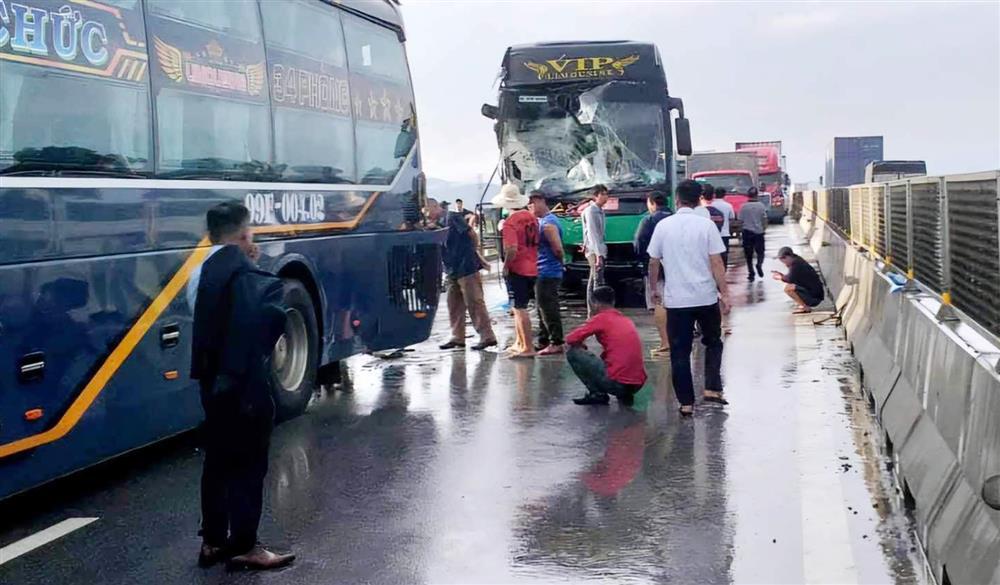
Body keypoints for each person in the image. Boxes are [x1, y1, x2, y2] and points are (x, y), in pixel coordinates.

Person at [189, 202, 295, 570]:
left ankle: (213, 542)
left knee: (217, 460)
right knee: (249, 464)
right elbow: (259, 321)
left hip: (209, 382)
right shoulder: (246, 274)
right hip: (244, 385)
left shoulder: (197, 272)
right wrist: (252, 266)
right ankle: (246, 545)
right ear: (243, 234)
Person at [647, 180, 730, 417]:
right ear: (698, 199)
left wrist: (654, 289)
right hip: (705, 297)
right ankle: (712, 388)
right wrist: (725, 293)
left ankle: (686, 403)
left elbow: (653, 261)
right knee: (713, 342)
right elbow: (716, 262)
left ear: (677, 199)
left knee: (679, 351)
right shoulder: (706, 226)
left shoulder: (663, 226)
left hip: (677, 301)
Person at [565, 286, 647, 406]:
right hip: (637, 384)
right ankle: (624, 394)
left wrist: (580, 345)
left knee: (573, 352)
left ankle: (597, 394)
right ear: (613, 302)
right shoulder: (625, 319)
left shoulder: (601, 318)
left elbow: (570, 339)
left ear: (595, 304)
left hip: (618, 383)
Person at [440, 210, 498, 350]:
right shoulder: (435, 224)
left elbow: (471, 233)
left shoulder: (451, 217)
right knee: (453, 303)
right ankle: (457, 336)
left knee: (474, 301)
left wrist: (472, 251)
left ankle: (487, 336)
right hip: (451, 268)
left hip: (466, 266)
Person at [493, 184, 539, 358]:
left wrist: (506, 266)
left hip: (518, 267)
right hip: (533, 265)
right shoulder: (531, 217)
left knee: (519, 308)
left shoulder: (509, 223)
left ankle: (527, 346)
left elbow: (511, 248)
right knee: (522, 306)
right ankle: (520, 342)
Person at [633, 191, 672, 356]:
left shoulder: (648, 220)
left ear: (652, 203)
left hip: (657, 267)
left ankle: (665, 343)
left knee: (659, 303)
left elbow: (639, 243)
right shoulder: (675, 217)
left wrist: (643, 261)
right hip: (676, 268)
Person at [530, 191, 566, 355]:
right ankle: (544, 339)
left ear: (541, 201)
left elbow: (558, 249)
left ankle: (556, 341)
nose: (530, 207)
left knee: (548, 308)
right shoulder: (542, 221)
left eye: (532, 203)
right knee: (541, 307)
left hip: (548, 271)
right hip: (543, 270)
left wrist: (560, 263)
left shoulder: (548, 223)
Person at [581, 184, 609, 317]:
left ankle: (593, 311)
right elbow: (593, 234)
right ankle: (594, 311)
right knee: (596, 280)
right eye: (603, 194)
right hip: (594, 250)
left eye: (606, 194)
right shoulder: (591, 211)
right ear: (596, 196)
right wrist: (599, 255)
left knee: (594, 279)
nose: (606, 197)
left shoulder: (599, 210)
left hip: (597, 248)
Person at [772, 246, 825, 314]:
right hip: (816, 294)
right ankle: (803, 304)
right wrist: (782, 276)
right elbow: (792, 278)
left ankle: (805, 307)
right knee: (791, 286)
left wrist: (780, 277)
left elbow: (790, 279)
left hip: (815, 298)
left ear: (789, 256)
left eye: (784, 259)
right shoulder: (797, 260)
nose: (784, 263)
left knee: (788, 288)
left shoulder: (796, 264)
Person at [738, 187, 768, 282]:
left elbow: (740, 221)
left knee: (748, 255)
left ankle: (751, 273)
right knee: (761, 252)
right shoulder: (761, 206)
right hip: (759, 233)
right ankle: (759, 264)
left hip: (747, 233)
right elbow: (764, 219)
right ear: (756, 195)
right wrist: (764, 229)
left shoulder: (743, 207)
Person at [711, 186, 736, 266]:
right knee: (724, 253)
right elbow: (732, 218)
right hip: (725, 233)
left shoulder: (711, 205)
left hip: (713, 234)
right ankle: (724, 270)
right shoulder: (728, 206)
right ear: (724, 195)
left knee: (714, 253)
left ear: (715, 194)